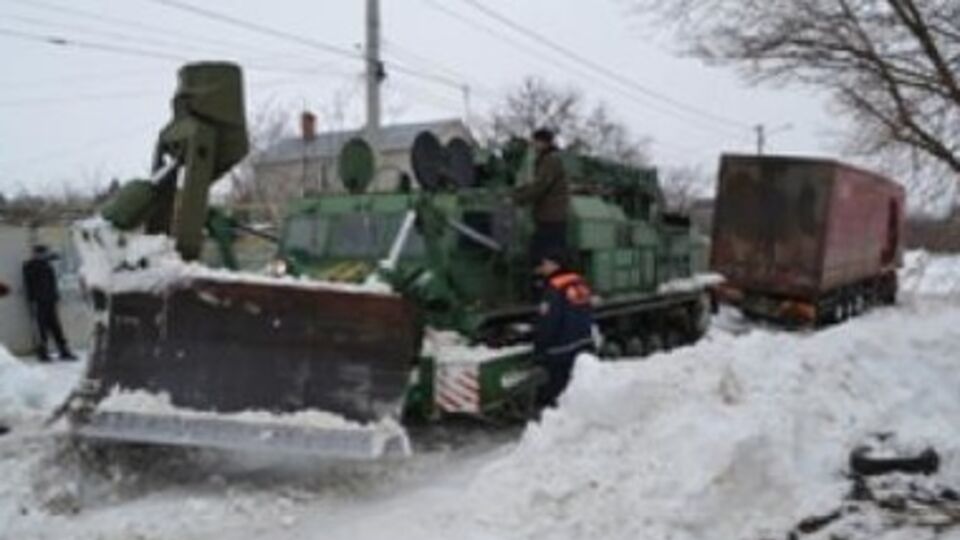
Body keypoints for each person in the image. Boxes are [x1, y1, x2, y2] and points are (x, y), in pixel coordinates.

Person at [532, 248, 595, 408]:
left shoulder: (554, 288)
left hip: (560, 350)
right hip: (582, 342)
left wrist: (540, 348)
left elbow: (549, 321)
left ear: (555, 265)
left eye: (545, 263)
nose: (543, 268)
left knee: (556, 391)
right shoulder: (579, 281)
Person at [512, 128, 570, 266]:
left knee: (543, 257)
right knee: (546, 256)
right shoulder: (548, 159)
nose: (533, 145)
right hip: (550, 218)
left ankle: (546, 285)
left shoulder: (550, 160)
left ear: (544, 143)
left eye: (535, 142)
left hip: (551, 218)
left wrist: (517, 198)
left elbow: (540, 186)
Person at [22, 245, 75, 362]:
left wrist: (56, 297)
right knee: (41, 328)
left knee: (56, 327)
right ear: (36, 254)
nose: (45, 255)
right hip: (39, 302)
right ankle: (43, 353)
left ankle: (64, 351)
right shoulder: (30, 266)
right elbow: (29, 284)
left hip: (50, 300)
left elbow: (52, 283)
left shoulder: (47, 266)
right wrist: (32, 301)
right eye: (42, 253)